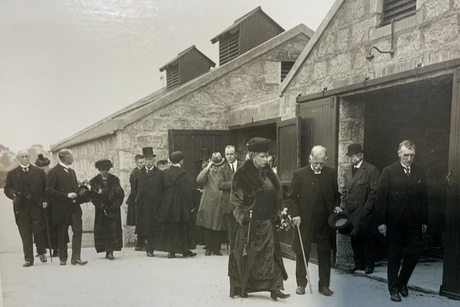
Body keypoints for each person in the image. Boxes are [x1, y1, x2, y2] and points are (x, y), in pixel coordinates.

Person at [229, 137, 290, 301]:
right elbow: (235, 201)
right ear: (252, 156)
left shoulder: (270, 173)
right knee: (248, 256)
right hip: (249, 224)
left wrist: (277, 214)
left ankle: (275, 288)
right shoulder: (242, 174)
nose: (266, 159)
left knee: (272, 256)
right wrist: (242, 215)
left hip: (267, 222)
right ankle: (242, 286)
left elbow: (278, 196)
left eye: (267, 156)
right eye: (262, 156)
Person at [376, 140, 428, 302]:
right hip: (394, 221)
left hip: (414, 221)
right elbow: (381, 198)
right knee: (394, 255)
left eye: (412, 155)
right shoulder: (388, 171)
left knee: (414, 252)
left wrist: (424, 221)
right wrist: (381, 222)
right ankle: (394, 289)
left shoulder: (420, 171)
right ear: (399, 153)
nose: (409, 158)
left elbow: (424, 197)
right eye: (406, 155)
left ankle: (402, 281)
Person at [285, 145, 341, 296]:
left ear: (326, 160)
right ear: (310, 158)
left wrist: (336, 207)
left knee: (324, 252)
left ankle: (324, 286)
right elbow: (290, 199)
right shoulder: (300, 174)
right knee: (303, 252)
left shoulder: (330, 173)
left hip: (324, 222)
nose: (318, 166)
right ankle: (301, 284)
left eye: (321, 163)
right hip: (305, 222)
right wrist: (295, 214)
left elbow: (337, 195)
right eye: (315, 163)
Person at [340, 144, 380, 274]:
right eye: (350, 156)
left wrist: (366, 208)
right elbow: (345, 190)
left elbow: (375, 192)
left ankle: (369, 265)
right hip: (351, 211)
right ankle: (359, 264)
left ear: (360, 155)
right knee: (354, 238)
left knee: (367, 239)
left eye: (354, 155)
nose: (351, 158)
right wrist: (343, 206)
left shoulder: (371, 170)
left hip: (365, 210)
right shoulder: (348, 171)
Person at [4, 150, 48, 267]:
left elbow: (46, 188)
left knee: (38, 230)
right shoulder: (12, 173)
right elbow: (7, 188)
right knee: (25, 233)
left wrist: (45, 200)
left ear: (29, 157)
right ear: (18, 158)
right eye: (22, 157)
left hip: (36, 205)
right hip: (21, 207)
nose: (25, 159)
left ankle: (41, 251)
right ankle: (28, 259)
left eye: (27, 156)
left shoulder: (39, 172)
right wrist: (13, 194)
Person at [46, 149, 88, 265]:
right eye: (71, 156)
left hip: (74, 207)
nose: (73, 158)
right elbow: (49, 191)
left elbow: (74, 188)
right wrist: (66, 195)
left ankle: (76, 258)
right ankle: (63, 258)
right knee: (62, 233)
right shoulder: (53, 172)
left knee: (78, 231)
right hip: (61, 208)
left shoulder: (72, 172)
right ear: (65, 157)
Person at [155, 151, 197, 258]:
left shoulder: (166, 172)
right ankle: (184, 250)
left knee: (170, 225)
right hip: (181, 202)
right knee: (182, 225)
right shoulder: (183, 174)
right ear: (181, 161)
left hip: (168, 201)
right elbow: (188, 191)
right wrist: (191, 206)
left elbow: (161, 188)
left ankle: (171, 250)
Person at [89, 159, 124, 260]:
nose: (104, 172)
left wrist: (114, 206)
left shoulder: (115, 180)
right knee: (104, 230)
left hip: (113, 210)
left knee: (112, 229)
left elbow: (120, 195)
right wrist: (102, 206)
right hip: (101, 211)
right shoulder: (94, 182)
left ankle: (111, 251)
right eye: (102, 170)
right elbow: (93, 197)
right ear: (99, 170)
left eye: (106, 169)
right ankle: (106, 250)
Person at [135, 147, 164, 257]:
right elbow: (135, 189)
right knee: (144, 227)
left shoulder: (160, 174)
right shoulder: (139, 174)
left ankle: (150, 248)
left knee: (153, 227)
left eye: (150, 160)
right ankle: (147, 246)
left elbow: (163, 189)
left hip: (155, 205)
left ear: (154, 160)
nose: (148, 162)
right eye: (146, 160)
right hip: (143, 205)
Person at [196, 152, 226, 256]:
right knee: (207, 225)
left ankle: (216, 248)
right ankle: (208, 248)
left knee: (218, 225)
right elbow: (199, 179)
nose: (216, 168)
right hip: (208, 201)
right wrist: (208, 166)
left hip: (220, 202)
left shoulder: (224, 172)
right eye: (214, 165)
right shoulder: (207, 173)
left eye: (219, 165)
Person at [217, 145, 243, 248]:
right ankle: (233, 254)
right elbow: (220, 185)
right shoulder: (222, 168)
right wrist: (235, 183)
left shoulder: (243, 166)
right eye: (227, 154)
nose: (229, 156)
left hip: (242, 203)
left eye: (231, 154)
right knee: (231, 232)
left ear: (236, 154)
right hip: (228, 204)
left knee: (242, 230)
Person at [126, 154, 144, 230]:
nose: (142, 164)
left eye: (143, 162)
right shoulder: (135, 173)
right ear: (136, 163)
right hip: (137, 199)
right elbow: (134, 189)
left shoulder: (142, 171)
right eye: (140, 162)